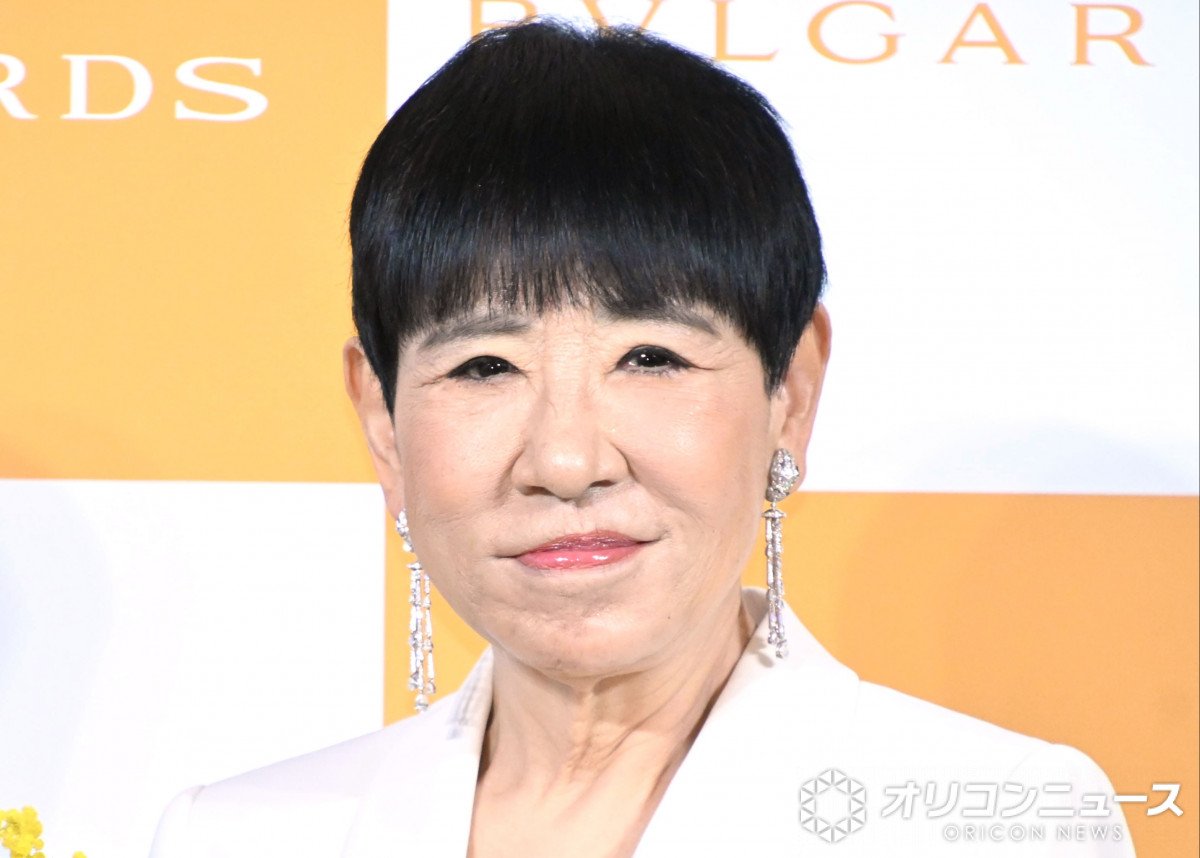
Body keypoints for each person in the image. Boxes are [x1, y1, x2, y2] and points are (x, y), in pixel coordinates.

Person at [149, 19, 1133, 858]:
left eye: (651, 357)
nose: (567, 462)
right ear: (383, 424)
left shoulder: (997, 824)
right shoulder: (232, 836)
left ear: (791, 392)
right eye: (485, 366)